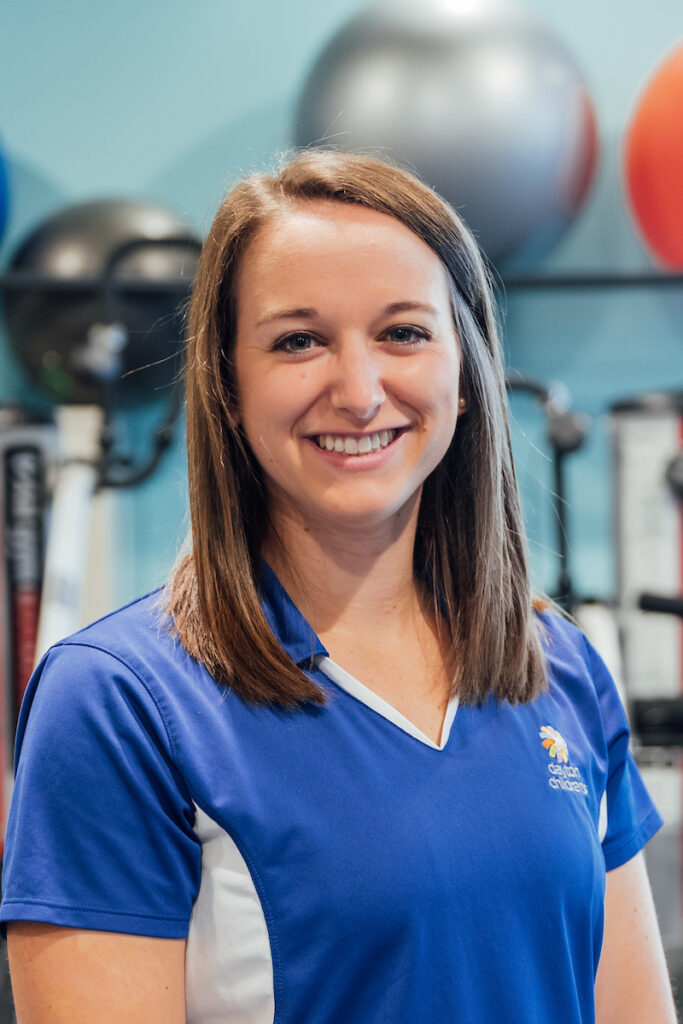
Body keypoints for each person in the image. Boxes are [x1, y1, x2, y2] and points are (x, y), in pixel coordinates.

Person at [0, 150, 676, 1024]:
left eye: (402, 333)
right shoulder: (117, 701)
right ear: (227, 388)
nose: (358, 392)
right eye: (297, 340)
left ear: (464, 374)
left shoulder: (563, 668)